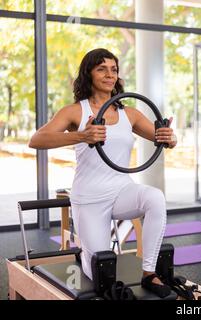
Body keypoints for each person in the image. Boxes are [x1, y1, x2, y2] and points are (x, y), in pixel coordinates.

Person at [29, 48, 176, 298]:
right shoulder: (75, 111)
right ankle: (84, 254)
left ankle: (149, 273)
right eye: (102, 69)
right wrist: (81, 135)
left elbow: (162, 138)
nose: (110, 74)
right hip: (89, 198)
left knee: (155, 198)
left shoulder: (128, 113)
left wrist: (169, 137)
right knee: (98, 264)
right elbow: (36, 140)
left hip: (121, 190)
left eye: (114, 69)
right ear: (89, 74)